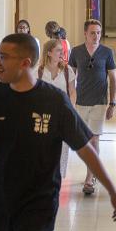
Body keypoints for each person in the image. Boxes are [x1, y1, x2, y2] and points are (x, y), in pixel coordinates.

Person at [0, 33, 116, 231]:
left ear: (25, 63)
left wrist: (112, 190)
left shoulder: (55, 101)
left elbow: (85, 149)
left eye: (3, 57)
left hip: (39, 204)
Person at [68, 19, 116, 195]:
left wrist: (112, 102)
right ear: (85, 34)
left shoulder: (107, 52)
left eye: (98, 32)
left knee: (94, 139)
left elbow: (112, 78)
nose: (96, 36)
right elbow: (71, 77)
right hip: (81, 101)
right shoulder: (76, 52)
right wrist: (70, 99)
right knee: (84, 141)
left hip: (99, 101)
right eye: (92, 33)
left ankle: (90, 177)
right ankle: (92, 171)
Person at [37, 38, 77, 177]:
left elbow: (72, 92)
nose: (62, 52)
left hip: (62, 116)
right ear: (49, 53)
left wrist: (70, 109)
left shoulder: (67, 70)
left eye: (62, 50)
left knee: (62, 150)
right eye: (58, 50)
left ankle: (57, 179)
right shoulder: (39, 71)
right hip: (43, 118)